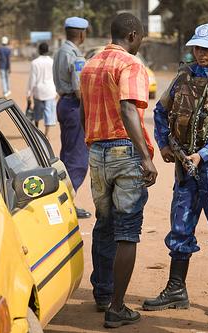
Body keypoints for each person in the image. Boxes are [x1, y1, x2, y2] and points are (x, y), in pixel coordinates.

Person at [144, 23, 208, 318]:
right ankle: (176, 288)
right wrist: (163, 144)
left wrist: (202, 155)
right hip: (185, 169)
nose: (200, 53)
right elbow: (161, 112)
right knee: (180, 226)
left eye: (206, 48)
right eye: (197, 48)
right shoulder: (183, 77)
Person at [80, 12, 157, 328]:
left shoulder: (90, 65)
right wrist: (145, 156)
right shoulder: (131, 64)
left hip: (96, 151)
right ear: (134, 35)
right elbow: (128, 108)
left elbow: (86, 112)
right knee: (127, 230)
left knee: (105, 223)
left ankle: (103, 293)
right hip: (124, 150)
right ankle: (117, 307)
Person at [53, 16, 91, 219]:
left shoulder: (60, 51)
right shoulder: (75, 56)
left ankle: (64, 199)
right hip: (75, 107)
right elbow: (79, 90)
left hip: (64, 104)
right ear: (82, 34)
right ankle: (67, 202)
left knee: (68, 155)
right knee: (78, 159)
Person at [27, 42, 57, 139]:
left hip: (38, 91)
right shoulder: (52, 62)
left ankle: (37, 131)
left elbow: (32, 79)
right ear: (48, 51)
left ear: (39, 50)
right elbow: (55, 77)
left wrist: (29, 93)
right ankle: (46, 133)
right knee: (48, 112)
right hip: (50, 91)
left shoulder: (35, 63)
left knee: (37, 112)